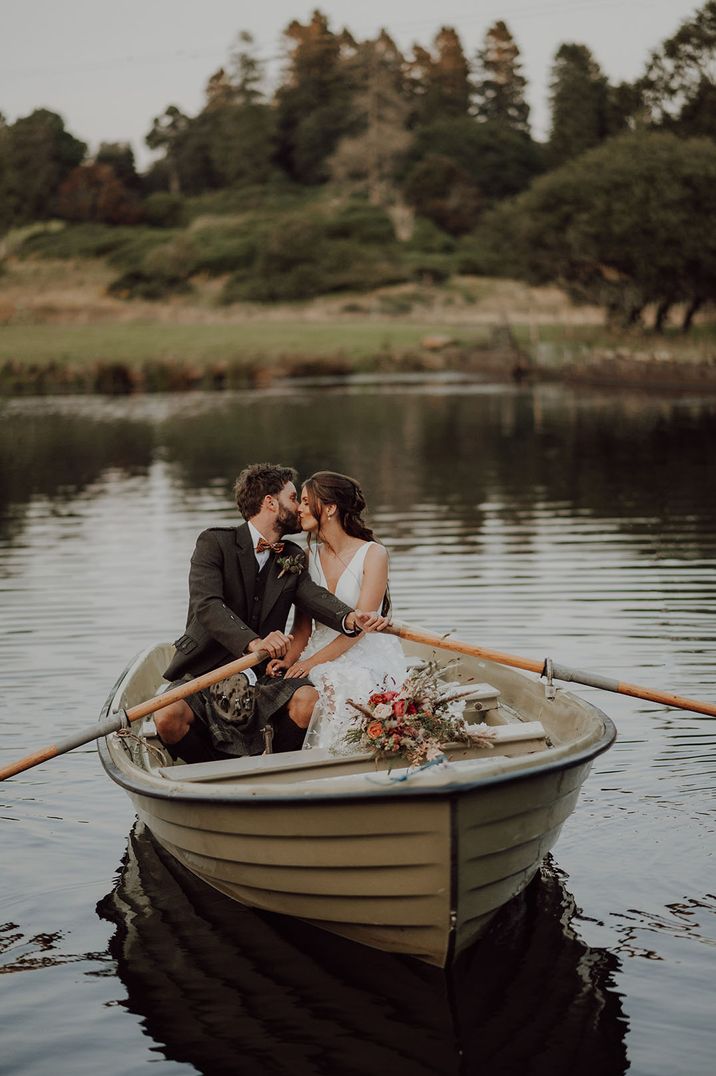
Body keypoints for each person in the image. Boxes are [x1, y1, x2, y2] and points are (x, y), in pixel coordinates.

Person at [155, 463, 385, 763]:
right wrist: (254, 643)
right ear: (270, 502)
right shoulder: (214, 543)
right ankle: (211, 774)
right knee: (166, 717)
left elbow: (313, 597)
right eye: (294, 498)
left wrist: (351, 618)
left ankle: (275, 769)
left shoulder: (291, 556)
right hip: (204, 671)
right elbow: (207, 605)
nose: (300, 508)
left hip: (263, 675)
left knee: (307, 701)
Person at [266, 471, 407, 754]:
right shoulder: (306, 558)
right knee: (305, 685)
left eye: (306, 502)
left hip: (361, 648)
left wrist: (312, 664)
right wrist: (289, 661)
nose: (299, 508)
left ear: (330, 508)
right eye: (300, 502)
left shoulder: (373, 554)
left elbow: (361, 627)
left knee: (336, 681)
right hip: (318, 650)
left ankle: (344, 758)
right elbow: (302, 629)